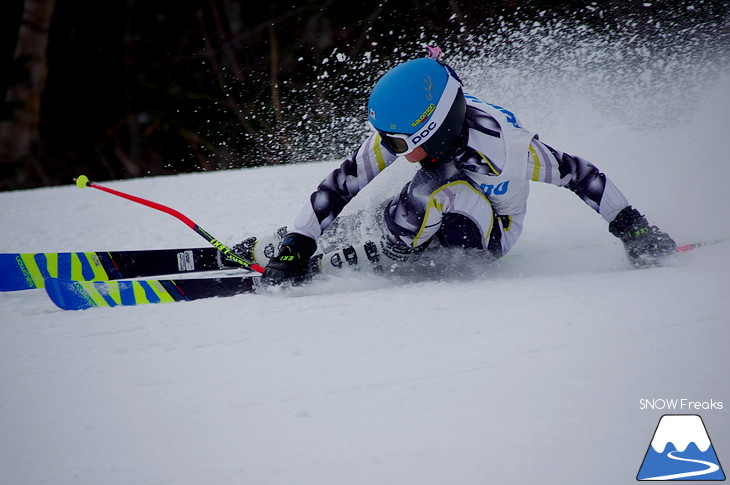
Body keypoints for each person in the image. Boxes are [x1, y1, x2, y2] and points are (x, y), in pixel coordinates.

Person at [260, 48, 676, 285]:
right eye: (388, 140)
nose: (393, 150)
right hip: (432, 217)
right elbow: (343, 183)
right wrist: (299, 240)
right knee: (408, 196)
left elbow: (578, 173)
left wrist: (632, 227)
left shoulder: (508, 148)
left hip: (487, 233)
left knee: (435, 188)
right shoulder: (408, 131)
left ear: (437, 130)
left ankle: (344, 260)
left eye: (402, 143)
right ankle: (319, 245)